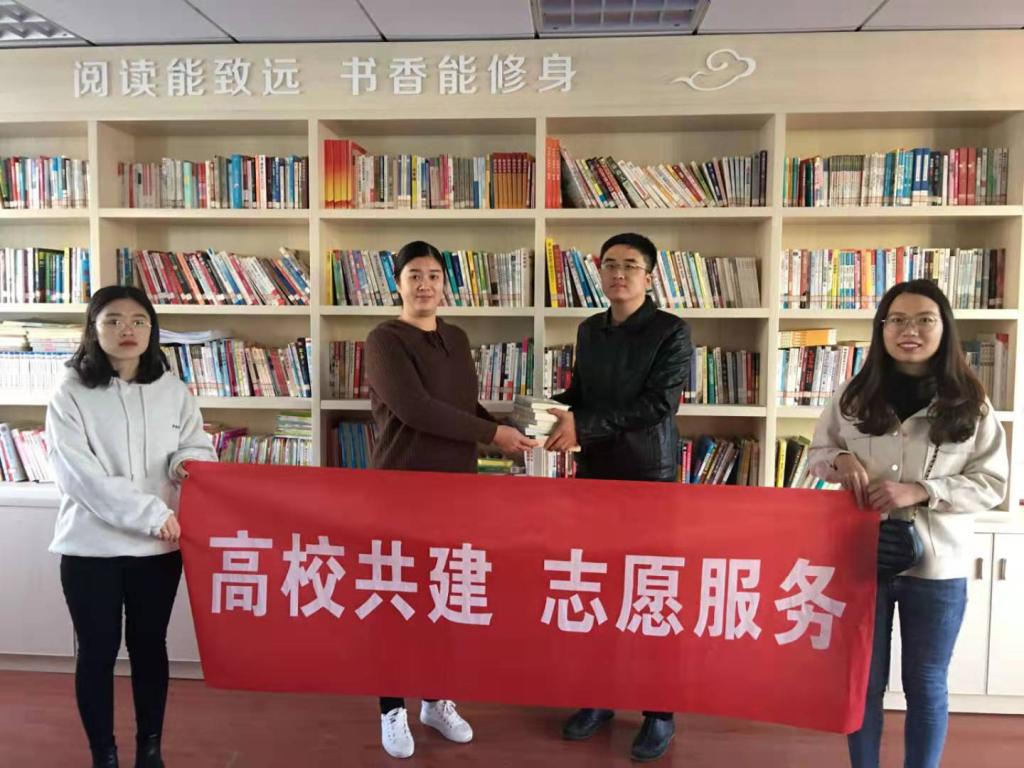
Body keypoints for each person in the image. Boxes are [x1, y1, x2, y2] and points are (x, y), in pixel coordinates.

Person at [808, 279, 1008, 768]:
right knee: (864, 683)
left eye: (924, 320)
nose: (909, 330)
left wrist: (923, 490)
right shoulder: (853, 396)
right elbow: (817, 454)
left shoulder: (972, 404)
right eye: (896, 320)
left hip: (937, 569)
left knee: (926, 684)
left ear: (944, 328)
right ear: (882, 329)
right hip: (862, 561)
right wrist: (838, 461)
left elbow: (991, 484)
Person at [363, 240, 536, 759]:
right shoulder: (384, 339)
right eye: (414, 275)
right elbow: (415, 408)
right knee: (396, 601)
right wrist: (493, 435)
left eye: (434, 276)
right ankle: (391, 708)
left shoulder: (456, 338)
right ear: (397, 283)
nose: (425, 285)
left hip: (456, 491)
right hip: (401, 489)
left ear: (445, 284)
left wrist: (507, 430)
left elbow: (461, 405)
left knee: (443, 598)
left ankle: (436, 700)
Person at [46, 285, 217, 768]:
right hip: (90, 549)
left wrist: (187, 464)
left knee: (149, 649)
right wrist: (153, 514)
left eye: (139, 321)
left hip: (157, 552)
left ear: (152, 330)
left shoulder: (171, 388)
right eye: (114, 320)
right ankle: (103, 755)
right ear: (93, 329)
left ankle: (150, 750)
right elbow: (79, 476)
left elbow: (195, 444)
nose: (128, 330)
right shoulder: (70, 391)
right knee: (97, 653)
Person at [546, 232, 692, 762]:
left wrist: (582, 424)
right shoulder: (590, 329)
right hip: (595, 474)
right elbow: (583, 394)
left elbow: (659, 405)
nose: (619, 273)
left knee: (653, 595)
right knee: (597, 591)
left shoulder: (671, 331)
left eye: (630, 265)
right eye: (610, 264)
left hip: (648, 477)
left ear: (649, 276)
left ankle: (659, 713)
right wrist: (546, 410)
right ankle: (599, 698)